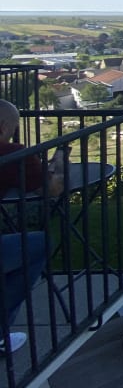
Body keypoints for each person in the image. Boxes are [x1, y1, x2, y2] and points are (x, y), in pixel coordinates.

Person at [0, 99, 63, 353]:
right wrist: (58, 163)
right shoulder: (13, 154)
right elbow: (53, 190)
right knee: (38, 244)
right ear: (4, 126)